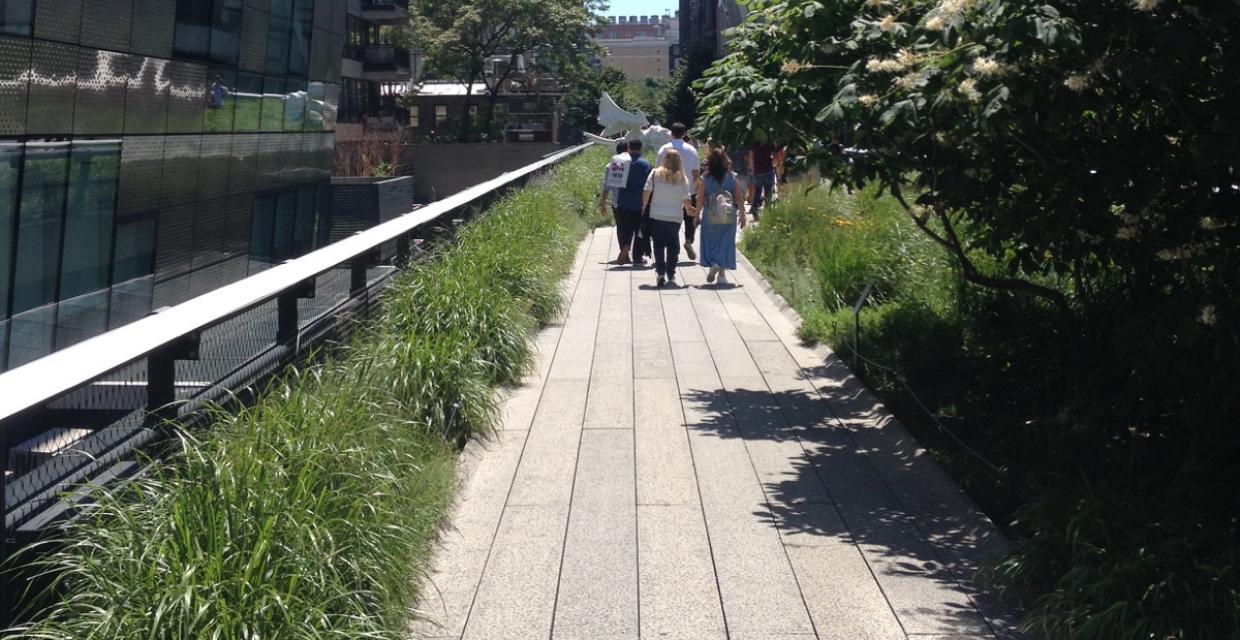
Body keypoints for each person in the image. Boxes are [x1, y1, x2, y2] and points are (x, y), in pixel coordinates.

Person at [695, 148, 747, 285]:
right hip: (728, 214)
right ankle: (721, 274)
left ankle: (714, 263)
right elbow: (739, 198)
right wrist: (742, 214)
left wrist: (696, 215)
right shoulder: (732, 177)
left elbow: (700, 197)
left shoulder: (705, 178)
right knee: (726, 242)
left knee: (711, 240)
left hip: (710, 214)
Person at [642, 149, 692, 288]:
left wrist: (643, 207)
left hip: (657, 215)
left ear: (665, 159)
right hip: (675, 217)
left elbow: (646, 191)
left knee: (658, 245)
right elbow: (686, 200)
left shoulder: (655, 173)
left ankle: (660, 273)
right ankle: (671, 274)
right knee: (673, 246)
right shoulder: (682, 178)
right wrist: (689, 209)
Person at [655, 123, 700, 260]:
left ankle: (675, 246)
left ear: (671, 133)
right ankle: (688, 240)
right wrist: (696, 188)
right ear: (685, 133)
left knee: (673, 219)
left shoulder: (663, 150)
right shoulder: (691, 150)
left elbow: (658, 170)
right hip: (689, 189)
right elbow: (696, 172)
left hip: (670, 191)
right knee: (690, 217)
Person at [614, 139, 652, 265]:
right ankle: (637, 256)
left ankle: (625, 246)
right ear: (640, 148)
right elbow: (650, 185)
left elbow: (615, 181)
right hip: (640, 202)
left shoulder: (620, 162)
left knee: (625, 227)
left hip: (623, 201)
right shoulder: (646, 165)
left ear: (628, 148)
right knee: (640, 230)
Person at [601, 139, 633, 263]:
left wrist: (603, 203)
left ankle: (623, 250)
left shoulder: (611, 165)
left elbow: (606, 186)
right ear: (628, 150)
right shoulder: (632, 164)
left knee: (620, 227)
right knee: (631, 226)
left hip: (617, 202)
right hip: (631, 201)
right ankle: (626, 248)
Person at [749, 140, 778, 220]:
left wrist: (752, 170)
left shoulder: (754, 143)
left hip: (757, 171)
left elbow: (751, 157)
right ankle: (768, 213)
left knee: (757, 192)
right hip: (768, 170)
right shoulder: (771, 143)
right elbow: (775, 158)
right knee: (768, 193)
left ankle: (755, 207)